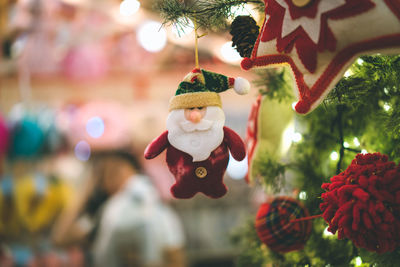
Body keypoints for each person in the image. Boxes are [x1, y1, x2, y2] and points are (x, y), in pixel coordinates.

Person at [52, 150, 185, 267]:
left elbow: (176, 258)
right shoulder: (100, 218)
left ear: (135, 170)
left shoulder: (158, 210)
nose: (113, 175)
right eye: (105, 173)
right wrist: (88, 188)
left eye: (117, 168)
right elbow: (60, 238)